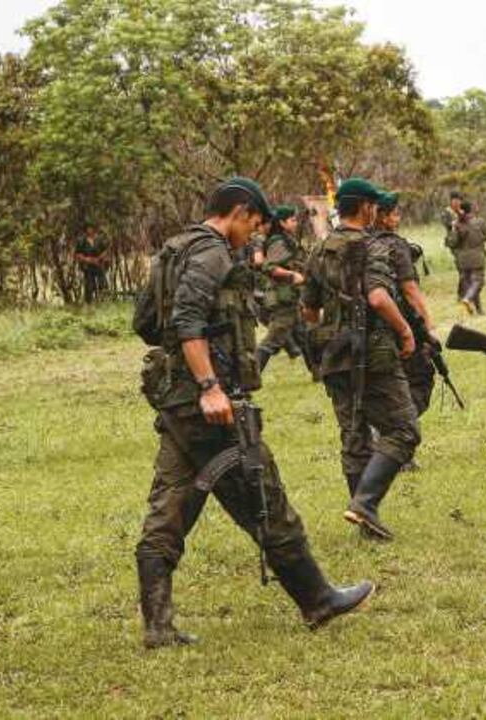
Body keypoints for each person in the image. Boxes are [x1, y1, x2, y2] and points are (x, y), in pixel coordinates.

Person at [133, 177, 372, 649]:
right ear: (239, 212)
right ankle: (317, 598)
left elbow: (145, 324)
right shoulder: (212, 252)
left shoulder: (171, 251)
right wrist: (208, 385)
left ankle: (158, 625)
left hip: (176, 402)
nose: (255, 237)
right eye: (255, 226)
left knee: (170, 507)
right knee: (264, 494)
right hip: (210, 405)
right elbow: (185, 320)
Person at [301, 179, 420, 541]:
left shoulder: (319, 250)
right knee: (403, 429)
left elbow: (308, 309)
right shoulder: (372, 247)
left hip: (334, 353)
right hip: (375, 352)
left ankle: (365, 518)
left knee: (354, 436)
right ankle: (365, 503)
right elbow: (380, 298)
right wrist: (405, 332)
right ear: (367, 208)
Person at [373, 191, 437, 421]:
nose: (398, 219)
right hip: (400, 324)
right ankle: (395, 431)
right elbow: (410, 291)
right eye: (395, 214)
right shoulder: (396, 246)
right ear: (383, 216)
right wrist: (428, 328)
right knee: (420, 379)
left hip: (366, 330)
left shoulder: (359, 243)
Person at [252, 206, 308, 373]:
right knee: (272, 340)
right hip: (283, 298)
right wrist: (292, 275)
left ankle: (319, 372)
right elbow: (269, 267)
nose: (296, 223)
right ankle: (250, 375)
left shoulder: (286, 239)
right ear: (282, 223)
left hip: (291, 297)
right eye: (292, 220)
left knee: (303, 336)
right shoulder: (278, 241)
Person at [447, 201, 486, 315]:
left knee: (470, 283)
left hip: (462, 260)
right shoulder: (480, 222)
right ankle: (468, 298)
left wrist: (453, 229)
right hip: (477, 257)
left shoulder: (457, 224)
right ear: (471, 209)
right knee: (477, 282)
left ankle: (479, 310)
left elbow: (452, 243)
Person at [74, 225, 110, 303]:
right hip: (87, 266)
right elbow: (77, 254)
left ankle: (103, 299)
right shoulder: (82, 240)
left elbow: (105, 251)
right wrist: (87, 259)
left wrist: (99, 258)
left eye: (91, 228)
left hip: (98, 264)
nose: (90, 230)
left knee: (102, 282)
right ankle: (89, 301)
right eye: (88, 228)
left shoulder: (99, 239)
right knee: (89, 285)